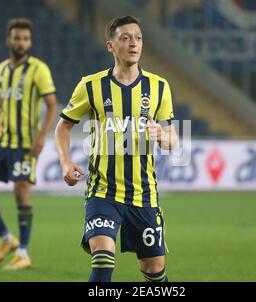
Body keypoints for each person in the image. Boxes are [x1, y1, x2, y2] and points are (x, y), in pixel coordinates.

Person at [54, 15, 178, 282]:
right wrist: (65, 162)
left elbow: (173, 139)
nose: (134, 43)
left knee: (154, 270)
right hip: (102, 191)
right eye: (126, 38)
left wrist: (161, 135)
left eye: (138, 38)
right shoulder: (90, 85)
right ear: (111, 45)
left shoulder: (159, 87)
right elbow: (62, 126)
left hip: (143, 194)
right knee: (103, 258)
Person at [0, 18, 58, 270]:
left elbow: (52, 105)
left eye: (25, 39)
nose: (21, 42)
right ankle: (7, 239)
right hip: (1, 143)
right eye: (17, 38)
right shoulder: (1, 69)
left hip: (25, 144)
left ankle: (23, 253)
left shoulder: (38, 69)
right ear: (8, 40)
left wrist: (42, 136)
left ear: (29, 42)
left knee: (21, 191)